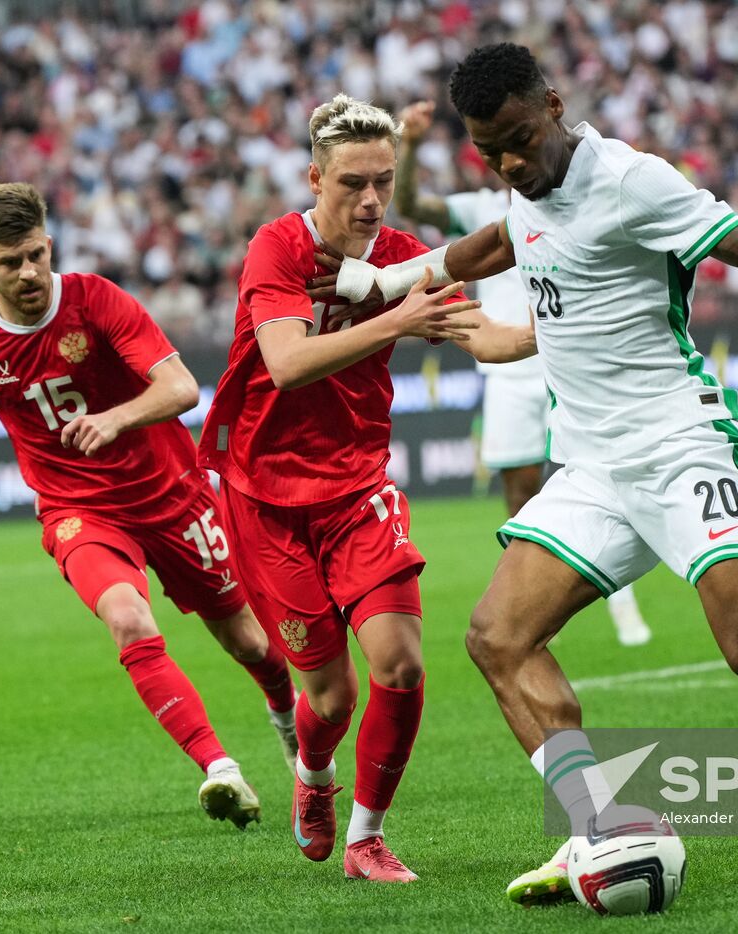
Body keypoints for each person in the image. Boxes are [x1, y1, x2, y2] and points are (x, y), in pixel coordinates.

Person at [322, 43, 738, 906]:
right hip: (593, 466)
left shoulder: (631, 180)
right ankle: (596, 828)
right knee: (498, 638)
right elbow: (491, 246)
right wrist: (376, 281)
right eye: (486, 148)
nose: (506, 161)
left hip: (684, 447)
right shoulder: (524, 181)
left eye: (517, 139)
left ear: (554, 104)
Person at [197, 95, 535, 883]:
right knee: (331, 696)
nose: (372, 201)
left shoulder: (402, 256)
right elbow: (285, 364)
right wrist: (396, 320)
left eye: (383, 181)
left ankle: (366, 839)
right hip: (264, 498)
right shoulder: (278, 249)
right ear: (315, 178)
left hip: (357, 490)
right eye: (352, 183)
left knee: (402, 664)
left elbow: (486, 335)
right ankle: (312, 777)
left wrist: (563, 329)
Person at [0, 182, 297, 831]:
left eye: (38, 254)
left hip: (172, 497)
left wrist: (116, 418)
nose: (30, 272)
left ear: (49, 243)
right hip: (78, 510)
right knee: (127, 618)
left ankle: (292, 731)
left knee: (248, 640)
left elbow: (180, 387)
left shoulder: (95, 300)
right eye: (11, 263)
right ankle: (219, 767)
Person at [392, 98, 651, 647]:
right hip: (504, 367)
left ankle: (621, 600)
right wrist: (409, 146)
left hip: (560, 361)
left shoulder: (577, 199)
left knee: (595, 480)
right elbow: (412, 202)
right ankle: (533, 610)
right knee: (522, 493)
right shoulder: (483, 208)